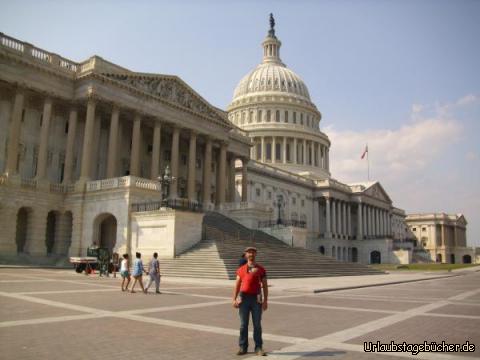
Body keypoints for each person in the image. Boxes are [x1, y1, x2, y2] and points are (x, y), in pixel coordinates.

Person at [233, 247, 268, 356]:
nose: (251, 254)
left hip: (256, 299)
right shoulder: (241, 269)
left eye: (253, 252)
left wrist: (265, 300)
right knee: (243, 325)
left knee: (257, 324)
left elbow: (265, 285)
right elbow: (237, 285)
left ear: (255, 254)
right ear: (246, 255)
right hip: (243, 299)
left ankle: (258, 347)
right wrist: (234, 299)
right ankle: (243, 347)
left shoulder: (261, 269)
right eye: (249, 252)